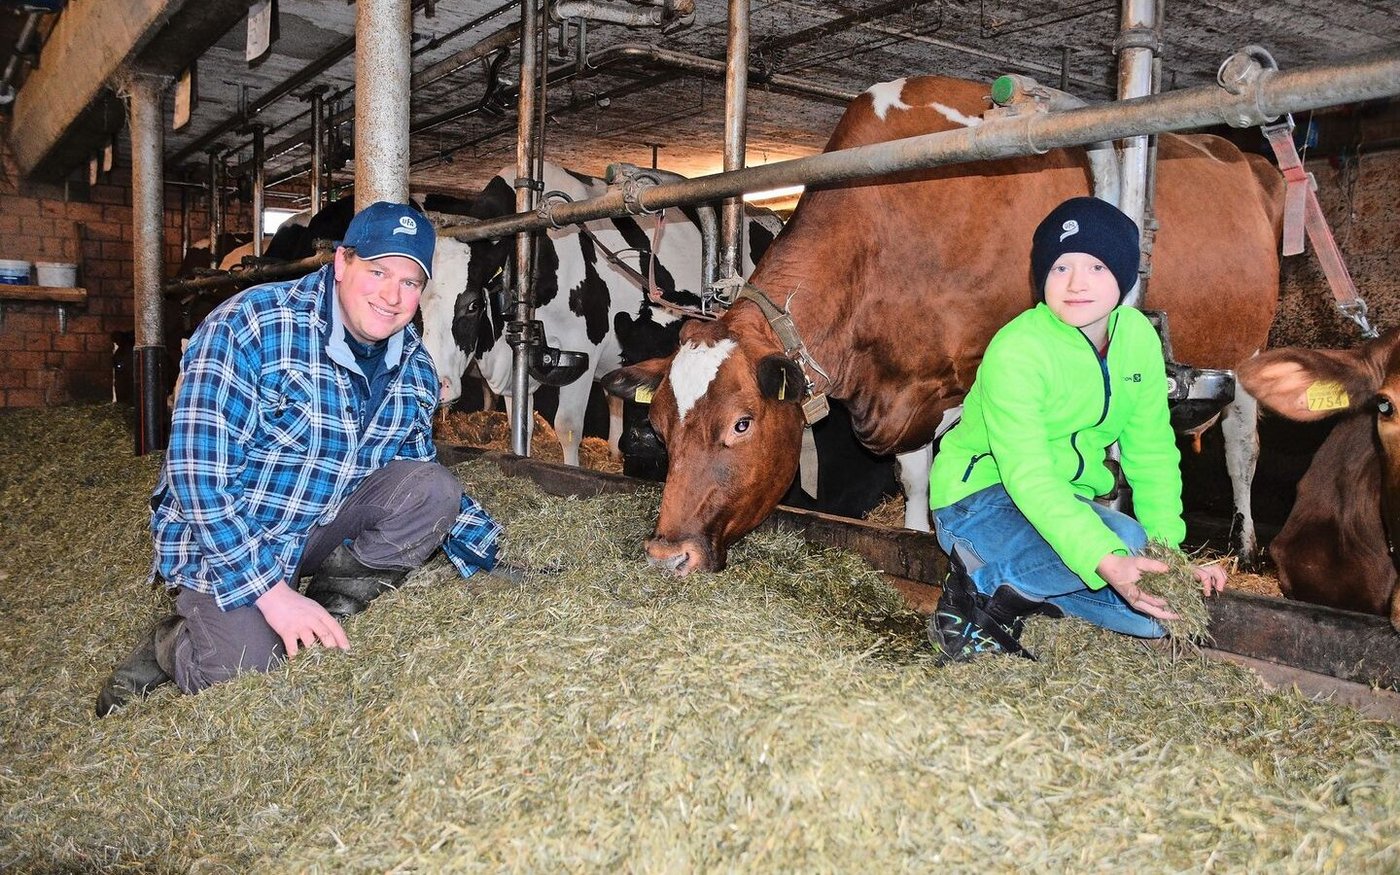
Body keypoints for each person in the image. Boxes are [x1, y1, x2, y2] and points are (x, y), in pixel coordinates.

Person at [97, 201, 502, 716]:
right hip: (228, 534)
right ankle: (170, 646)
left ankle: (331, 613)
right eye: (378, 271)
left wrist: (486, 557)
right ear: (341, 263)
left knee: (435, 486)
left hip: (316, 519)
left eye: (410, 282)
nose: (392, 296)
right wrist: (273, 595)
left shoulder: (414, 367)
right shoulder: (249, 327)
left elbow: (417, 469)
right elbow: (197, 480)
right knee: (244, 673)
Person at [926, 196, 1227, 663]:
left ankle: (1033, 587)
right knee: (1120, 545)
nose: (1076, 284)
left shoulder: (1138, 338)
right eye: (1060, 267)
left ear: (1123, 277)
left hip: (1062, 504)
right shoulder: (1019, 349)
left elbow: (1151, 451)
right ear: (1041, 275)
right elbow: (1028, 475)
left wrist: (1169, 555)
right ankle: (971, 595)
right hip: (978, 503)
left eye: (1097, 268)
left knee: (1158, 614)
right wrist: (1108, 558)